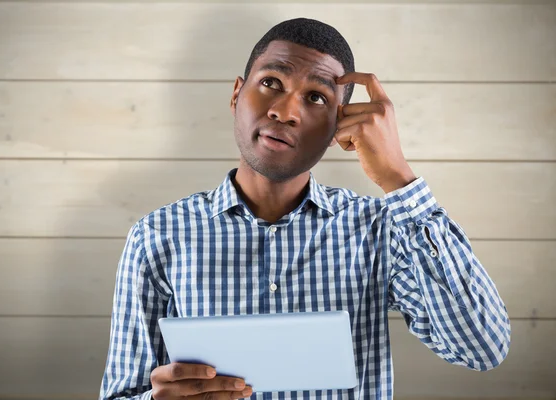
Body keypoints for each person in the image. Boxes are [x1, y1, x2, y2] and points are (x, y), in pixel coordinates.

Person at [99, 17, 510, 400]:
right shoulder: (158, 235)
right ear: (236, 94)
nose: (285, 112)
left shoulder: (381, 231)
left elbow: (482, 348)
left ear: (338, 126)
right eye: (272, 82)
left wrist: (399, 179)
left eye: (315, 97)